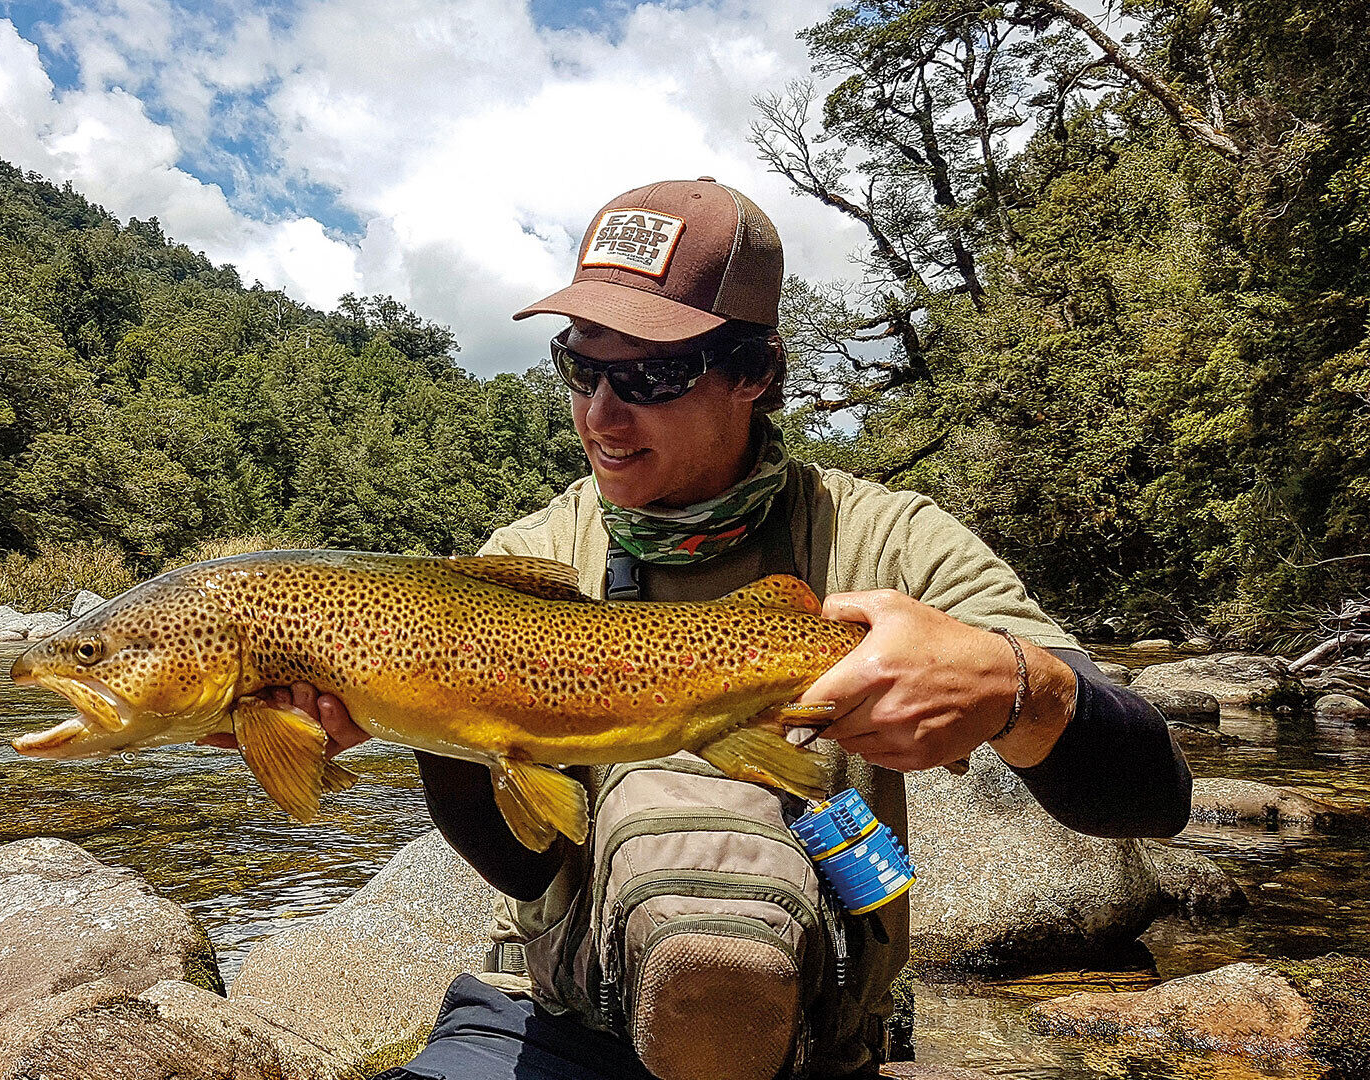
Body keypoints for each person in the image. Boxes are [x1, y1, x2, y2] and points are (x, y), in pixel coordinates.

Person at [258, 179, 1192, 1080]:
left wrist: (1020, 689)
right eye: (580, 366)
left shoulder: (889, 543)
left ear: (757, 372)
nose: (600, 414)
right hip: (559, 1022)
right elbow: (518, 857)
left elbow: (1149, 797)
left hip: (808, 1035)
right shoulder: (526, 561)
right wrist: (425, 714)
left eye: (651, 375)